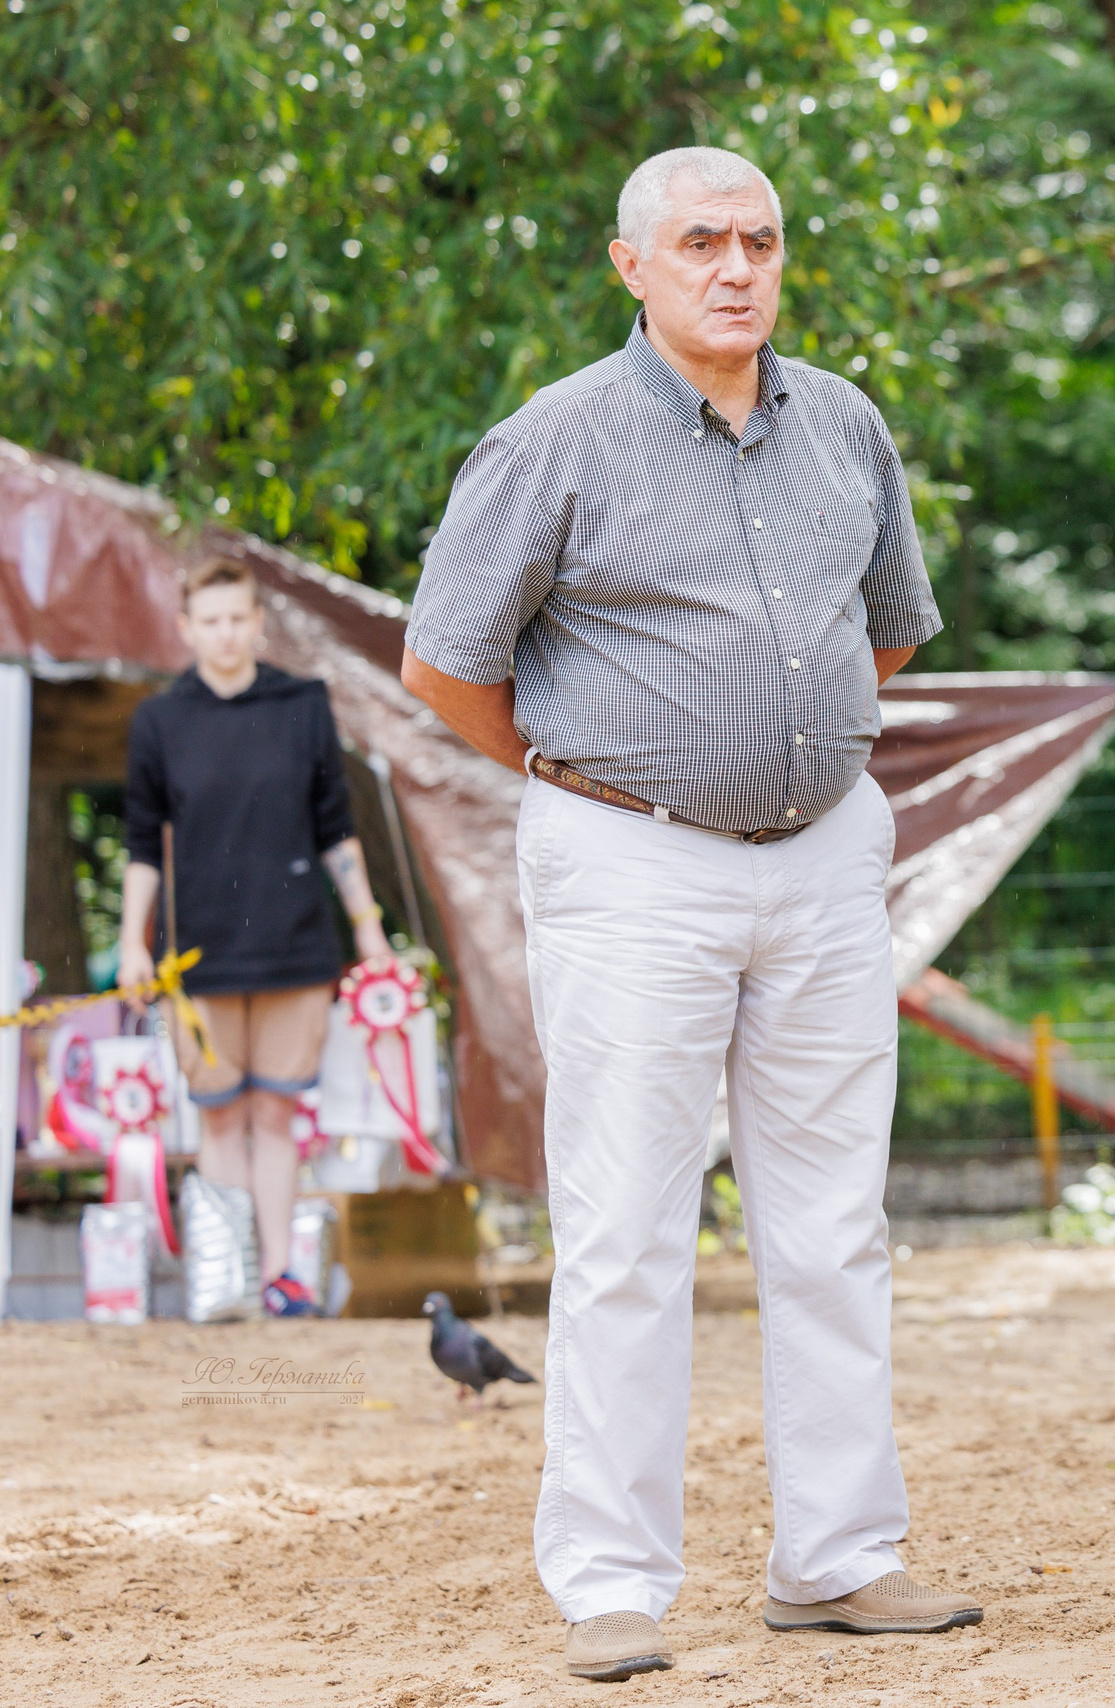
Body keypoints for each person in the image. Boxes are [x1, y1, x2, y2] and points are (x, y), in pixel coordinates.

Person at [400, 145, 977, 1683]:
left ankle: (841, 1560)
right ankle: (610, 1583)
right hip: (629, 856)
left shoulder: (844, 420)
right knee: (625, 1229)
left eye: (763, 240)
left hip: (826, 858)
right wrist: (597, 773)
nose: (738, 267)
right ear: (631, 265)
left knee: (835, 1224)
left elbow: (889, 632)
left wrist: (792, 766)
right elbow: (446, 661)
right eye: (703, 240)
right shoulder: (556, 438)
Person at [119, 559, 398, 1316]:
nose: (226, 632)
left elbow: (336, 827)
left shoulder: (303, 705)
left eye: (238, 617)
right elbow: (145, 842)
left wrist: (368, 928)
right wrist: (131, 942)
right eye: (210, 620)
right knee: (220, 1115)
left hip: (296, 945)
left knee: (276, 1115)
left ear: (258, 621)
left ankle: (282, 1276)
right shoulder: (160, 720)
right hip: (198, 953)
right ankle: (230, 1280)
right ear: (186, 628)